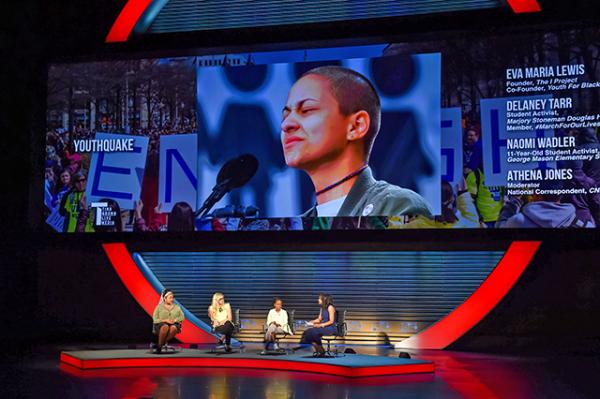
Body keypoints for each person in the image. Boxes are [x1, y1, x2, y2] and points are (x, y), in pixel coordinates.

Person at [280, 65, 432, 218]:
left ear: (356, 126)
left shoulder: (398, 207)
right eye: (285, 115)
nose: (286, 124)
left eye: (307, 110)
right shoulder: (297, 225)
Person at [152, 288, 185, 354]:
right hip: (161, 324)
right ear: (165, 298)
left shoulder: (176, 307)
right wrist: (165, 320)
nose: (172, 299)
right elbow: (155, 318)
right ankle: (161, 345)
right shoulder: (159, 307)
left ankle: (160, 345)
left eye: (172, 298)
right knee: (165, 327)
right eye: (170, 298)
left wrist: (175, 320)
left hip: (174, 324)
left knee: (173, 328)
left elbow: (182, 317)